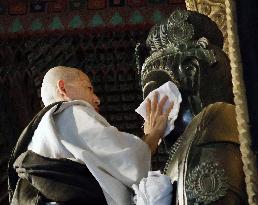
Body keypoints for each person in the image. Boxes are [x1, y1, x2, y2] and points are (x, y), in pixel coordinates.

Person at [8, 66, 173, 205]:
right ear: (63, 89)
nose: (97, 99)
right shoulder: (68, 112)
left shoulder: (41, 135)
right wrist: (154, 133)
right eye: (89, 88)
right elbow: (129, 162)